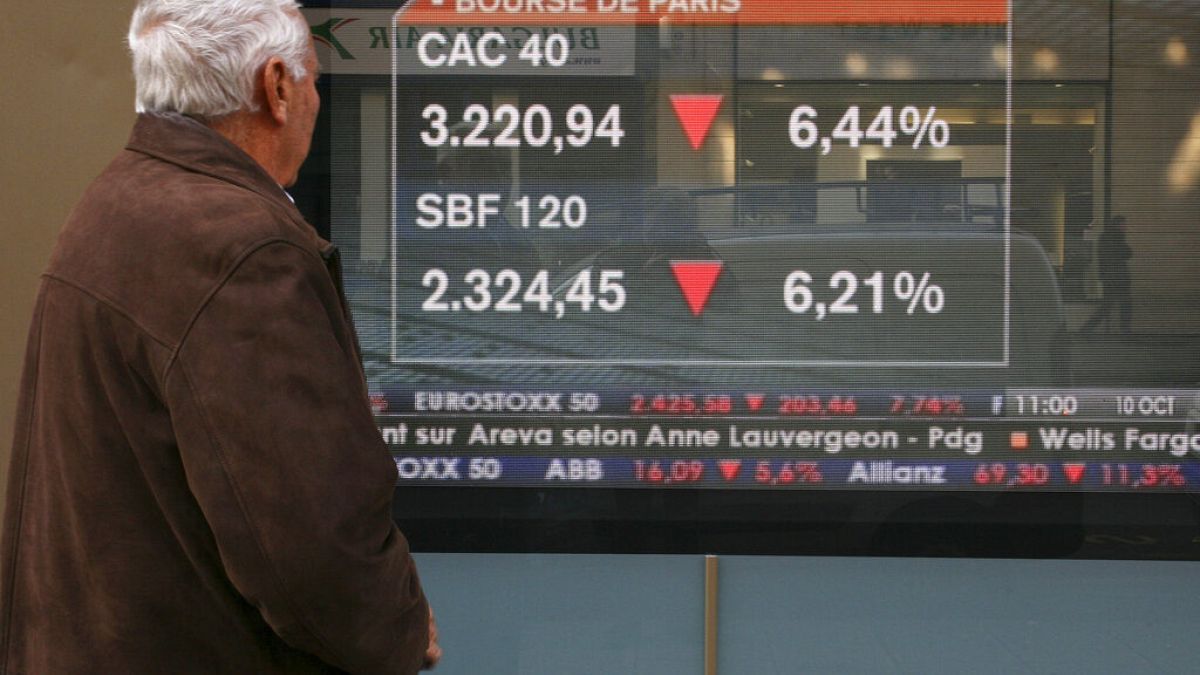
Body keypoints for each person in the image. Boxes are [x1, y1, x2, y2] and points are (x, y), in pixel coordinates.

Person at [0, 1, 440, 672]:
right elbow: (310, 548)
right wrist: (397, 627)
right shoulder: (244, 249)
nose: (316, 99)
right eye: (314, 77)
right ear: (277, 87)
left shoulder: (116, 199)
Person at [1082, 215, 1134, 333]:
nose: (1125, 227)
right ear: (1118, 225)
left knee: (1108, 306)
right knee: (1125, 305)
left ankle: (1086, 329)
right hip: (1118, 277)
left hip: (1109, 277)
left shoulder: (1106, 237)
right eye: (1123, 224)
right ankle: (1125, 332)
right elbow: (1127, 252)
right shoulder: (1116, 237)